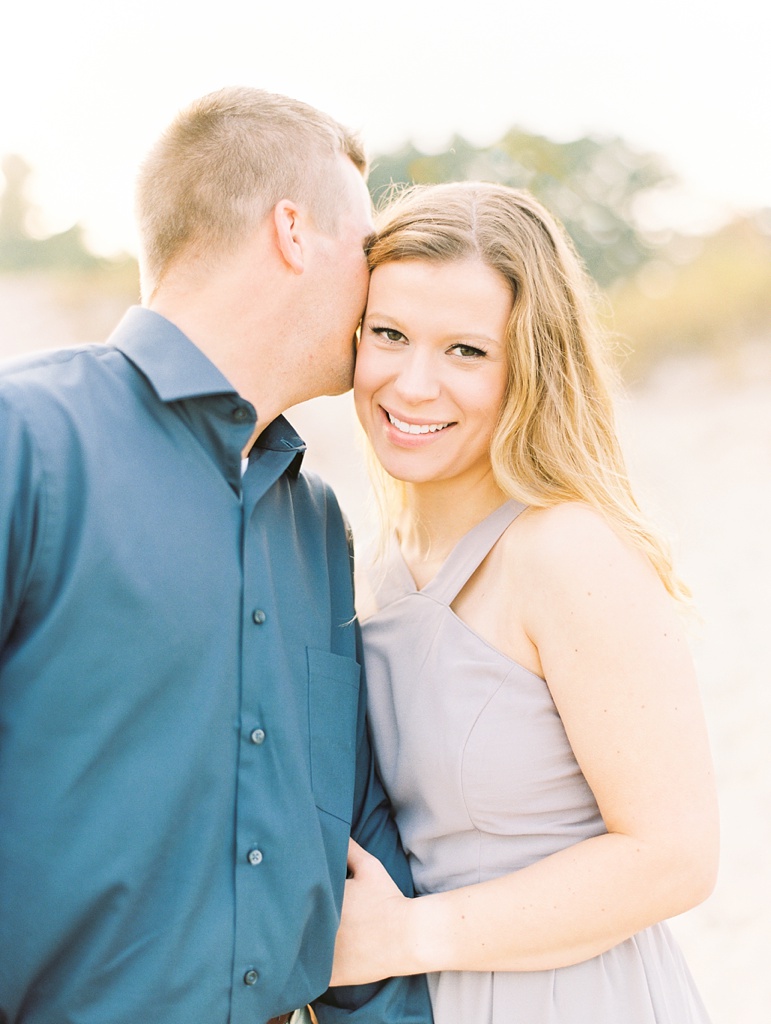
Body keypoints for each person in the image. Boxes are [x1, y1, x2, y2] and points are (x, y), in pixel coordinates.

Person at [0, 87, 432, 1024]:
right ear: (291, 232)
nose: (377, 289)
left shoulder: (314, 520)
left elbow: (350, 834)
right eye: (364, 248)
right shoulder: (22, 441)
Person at [330, 181, 719, 1022]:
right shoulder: (383, 552)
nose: (413, 384)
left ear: (529, 366)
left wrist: (406, 938)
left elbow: (674, 856)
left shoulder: (563, 550)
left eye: (466, 351)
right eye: (389, 335)